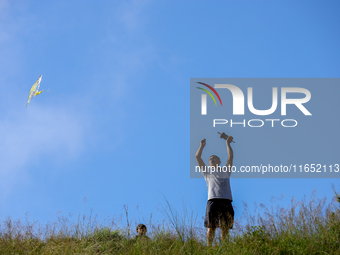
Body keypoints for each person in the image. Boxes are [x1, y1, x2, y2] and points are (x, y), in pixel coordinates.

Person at [195, 133, 234, 246]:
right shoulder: (207, 172)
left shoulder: (226, 170)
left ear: (219, 161)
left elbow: (230, 157)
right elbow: (197, 157)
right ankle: (209, 248)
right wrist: (201, 146)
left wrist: (227, 143)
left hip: (226, 200)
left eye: (214, 158)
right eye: (210, 159)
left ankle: (225, 247)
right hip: (213, 200)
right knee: (211, 227)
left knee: (225, 228)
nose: (211, 159)